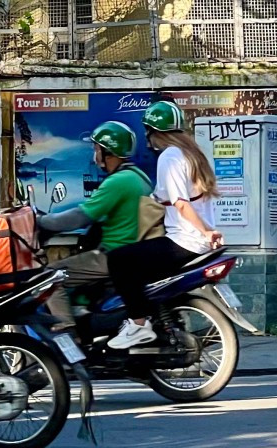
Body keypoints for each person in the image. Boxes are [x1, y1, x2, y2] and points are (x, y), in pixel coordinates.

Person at [107, 101, 222, 349]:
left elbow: (181, 203)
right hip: (197, 242)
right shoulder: (194, 154)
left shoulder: (169, 156)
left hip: (184, 241)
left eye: (148, 132)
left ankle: (137, 324)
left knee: (118, 259)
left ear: (154, 131)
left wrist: (206, 231)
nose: (149, 140)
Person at [38, 121, 152, 333]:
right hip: (127, 252)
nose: (94, 153)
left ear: (108, 150)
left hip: (113, 254)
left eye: (96, 148)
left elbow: (81, 216)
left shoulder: (119, 182)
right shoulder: (139, 177)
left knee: (51, 277)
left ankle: (67, 337)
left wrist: (40, 221)